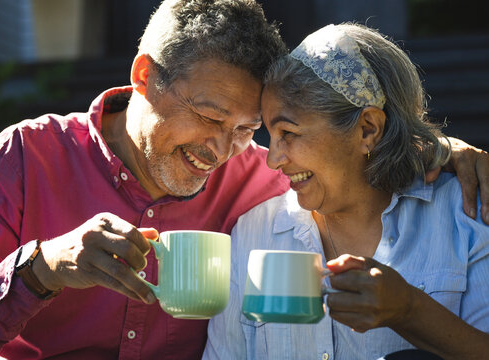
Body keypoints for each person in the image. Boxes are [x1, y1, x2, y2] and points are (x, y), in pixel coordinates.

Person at [0, 1, 486, 358]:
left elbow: (346, 158)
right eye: (208, 117)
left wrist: (434, 146)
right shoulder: (26, 157)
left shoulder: (263, 182)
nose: (221, 150)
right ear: (143, 77)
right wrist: (43, 268)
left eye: (245, 129)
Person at [204, 23, 489, 360]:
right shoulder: (254, 232)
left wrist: (409, 310)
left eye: (289, 132)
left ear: (368, 129)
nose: (274, 160)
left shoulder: (466, 215)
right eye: (270, 135)